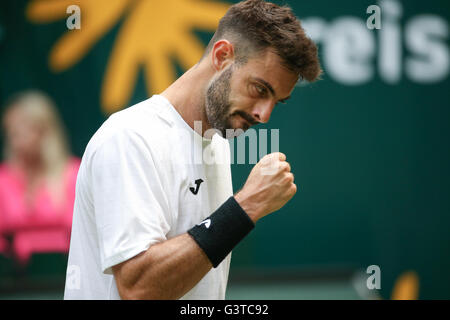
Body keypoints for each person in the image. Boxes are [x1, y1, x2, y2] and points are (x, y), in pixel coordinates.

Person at [64, 0, 321, 300]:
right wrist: (246, 206)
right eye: (260, 89)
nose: (264, 115)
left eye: (276, 101)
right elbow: (138, 288)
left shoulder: (216, 145)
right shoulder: (130, 138)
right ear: (222, 55)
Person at [0, 91, 80, 265]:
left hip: (70, 274)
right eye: (10, 134)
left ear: (44, 132)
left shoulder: (75, 174)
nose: (14, 143)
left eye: (19, 133)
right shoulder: (3, 180)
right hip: (14, 284)